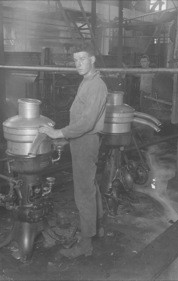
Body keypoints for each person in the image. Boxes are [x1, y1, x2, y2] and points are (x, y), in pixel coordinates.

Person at [39, 43, 107, 258]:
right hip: (81, 141)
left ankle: (86, 245)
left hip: (86, 141)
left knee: (83, 192)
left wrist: (58, 134)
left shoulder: (96, 85)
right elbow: (80, 117)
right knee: (91, 186)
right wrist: (67, 138)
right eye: (76, 60)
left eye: (83, 59)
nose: (78, 64)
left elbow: (86, 122)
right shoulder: (86, 82)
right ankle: (99, 228)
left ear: (93, 59)